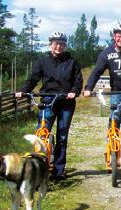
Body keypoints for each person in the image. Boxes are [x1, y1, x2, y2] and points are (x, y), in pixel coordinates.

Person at [15, 31, 83, 181]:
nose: (59, 46)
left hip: (66, 101)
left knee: (62, 136)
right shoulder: (42, 61)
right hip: (48, 100)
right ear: (51, 44)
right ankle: (38, 168)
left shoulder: (72, 62)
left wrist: (74, 92)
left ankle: (59, 170)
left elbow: (78, 81)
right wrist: (22, 90)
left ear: (65, 45)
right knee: (41, 133)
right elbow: (32, 79)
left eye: (62, 44)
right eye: (56, 43)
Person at [83, 21, 121, 158]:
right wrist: (88, 88)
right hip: (117, 93)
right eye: (118, 35)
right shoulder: (106, 53)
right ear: (114, 36)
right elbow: (96, 71)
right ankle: (111, 155)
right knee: (113, 124)